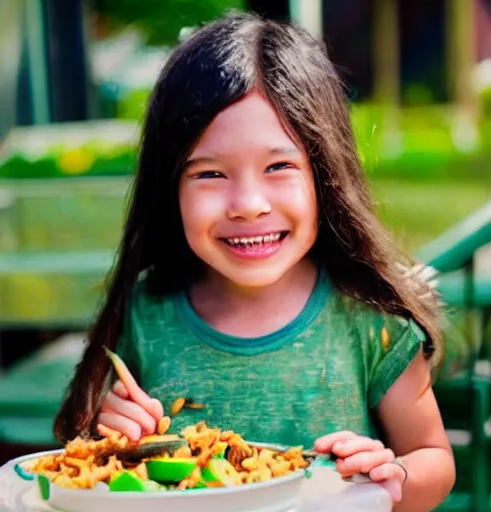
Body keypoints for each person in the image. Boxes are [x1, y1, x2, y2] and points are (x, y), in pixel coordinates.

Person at [54, 12, 455, 510]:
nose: (248, 203)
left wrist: (389, 476)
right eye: (210, 174)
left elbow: (432, 458)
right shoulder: (146, 311)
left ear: (325, 175)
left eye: (279, 166)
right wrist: (113, 433)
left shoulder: (370, 319)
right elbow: (101, 464)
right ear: (169, 187)